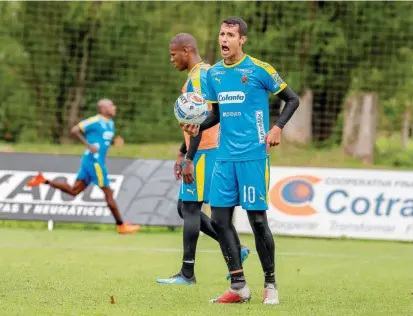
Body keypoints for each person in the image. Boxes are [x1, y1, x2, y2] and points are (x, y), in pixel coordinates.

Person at [183, 17, 300, 304]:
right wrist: (199, 123)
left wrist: (277, 127)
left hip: (253, 157)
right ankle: (238, 285)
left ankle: (270, 284)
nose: (224, 39)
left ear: (242, 39)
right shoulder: (215, 75)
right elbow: (217, 114)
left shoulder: (260, 69)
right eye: (221, 34)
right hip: (224, 157)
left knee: (258, 221)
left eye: (230, 35)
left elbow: (292, 99)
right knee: (220, 220)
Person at [156, 33, 250, 285]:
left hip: (205, 151)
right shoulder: (204, 72)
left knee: (190, 208)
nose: (171, 59)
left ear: (186, 51)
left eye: (173, 54)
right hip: (205, 150)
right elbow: (195, 121)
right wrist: (181, 151)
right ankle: (234, 248)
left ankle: (187, 273)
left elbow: (200, 120)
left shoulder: (199, 76)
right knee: (185, 208)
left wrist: (190, 157)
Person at [27, 99, 141, 234]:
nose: (114, 107)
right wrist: (88, 145)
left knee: (74, 191)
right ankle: (121, 225)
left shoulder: (110, 123)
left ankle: (43, 180)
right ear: (103, 109)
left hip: (90, 161)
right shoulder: (95, 121)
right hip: (95, 162)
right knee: (108, 193)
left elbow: (102, 141)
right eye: (111, 105)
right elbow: (74, 130)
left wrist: (114, 143)